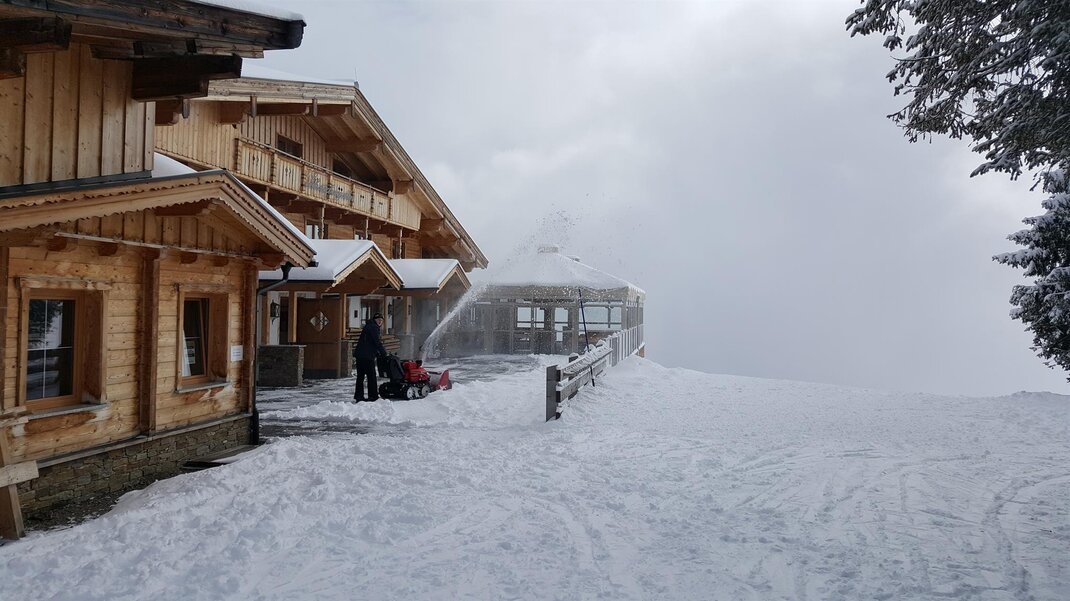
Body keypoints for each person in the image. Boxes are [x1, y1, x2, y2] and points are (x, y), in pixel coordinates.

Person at [353, 312, 388, 401]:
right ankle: (373, 396)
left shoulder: (368, 326)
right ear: (374, 320)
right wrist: (384, 353)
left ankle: (359, 396)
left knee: (360, 376)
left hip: (360, 355)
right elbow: (377, 342)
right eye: (378, 320)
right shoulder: (373, 328)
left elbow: (369, 342)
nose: (380, 322)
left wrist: (377, 353)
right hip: (367, 356)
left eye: (381, 320)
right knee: (371, 376)